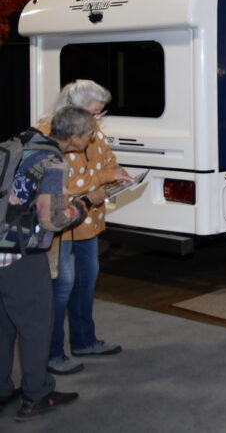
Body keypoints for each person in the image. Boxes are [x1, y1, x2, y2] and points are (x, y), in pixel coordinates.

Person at [1, 106, 100, 421]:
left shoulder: (21, 141)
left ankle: (2, 389)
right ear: (74, 137)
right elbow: (54, 218)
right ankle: (37, 394)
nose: (91, 138)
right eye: (89, 134)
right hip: (20, 252)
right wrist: (85, 203)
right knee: (35, 325)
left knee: (3, 325)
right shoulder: (54, 163)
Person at [36, 81, 133, 376]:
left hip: (88, 221)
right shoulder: (48, 132)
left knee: (85, 282)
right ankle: (52, 354)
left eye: (101, 112)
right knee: (61, 288)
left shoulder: (92, 129)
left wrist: (117, 175)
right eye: (95, 111)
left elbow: (107, 160)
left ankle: (84, 341)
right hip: (61, 225)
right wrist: (106, 175)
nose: (99, 118)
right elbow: (67, 185)